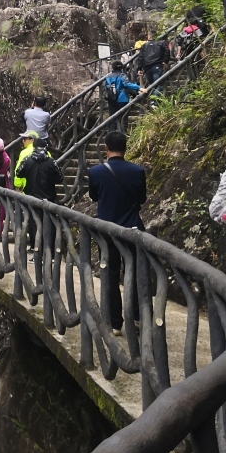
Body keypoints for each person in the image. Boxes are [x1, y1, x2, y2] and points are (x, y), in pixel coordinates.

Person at [87, 130, 146, 336]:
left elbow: (94, 196)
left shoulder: (95, 172)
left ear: (106, 148)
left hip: (108, 229)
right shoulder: (138, 171)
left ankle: (115, 323)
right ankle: (137, 318)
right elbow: (141, 199)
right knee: (136, 273)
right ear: (125, 148)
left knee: (111, 275)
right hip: (132, 229)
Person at [19, 138, 63, 251]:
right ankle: (50, 251)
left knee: (34, 223)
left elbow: (19, 173)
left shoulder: (27, 160)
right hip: (49, 196)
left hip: (32, 196)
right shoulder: (51, 161)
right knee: (50, 223)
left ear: (34, 147)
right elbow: (60, 178)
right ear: (46, 147)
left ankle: (36, 248)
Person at [104, 61, 146, 131]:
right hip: (122, 99)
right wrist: (139, 88)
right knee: (123, 118)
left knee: (112, 119)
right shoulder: (122, 75)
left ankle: (112, 135)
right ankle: (123, 134)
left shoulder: (108, 76)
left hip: (111, 99)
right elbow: (127, 84)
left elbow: (105, 87)